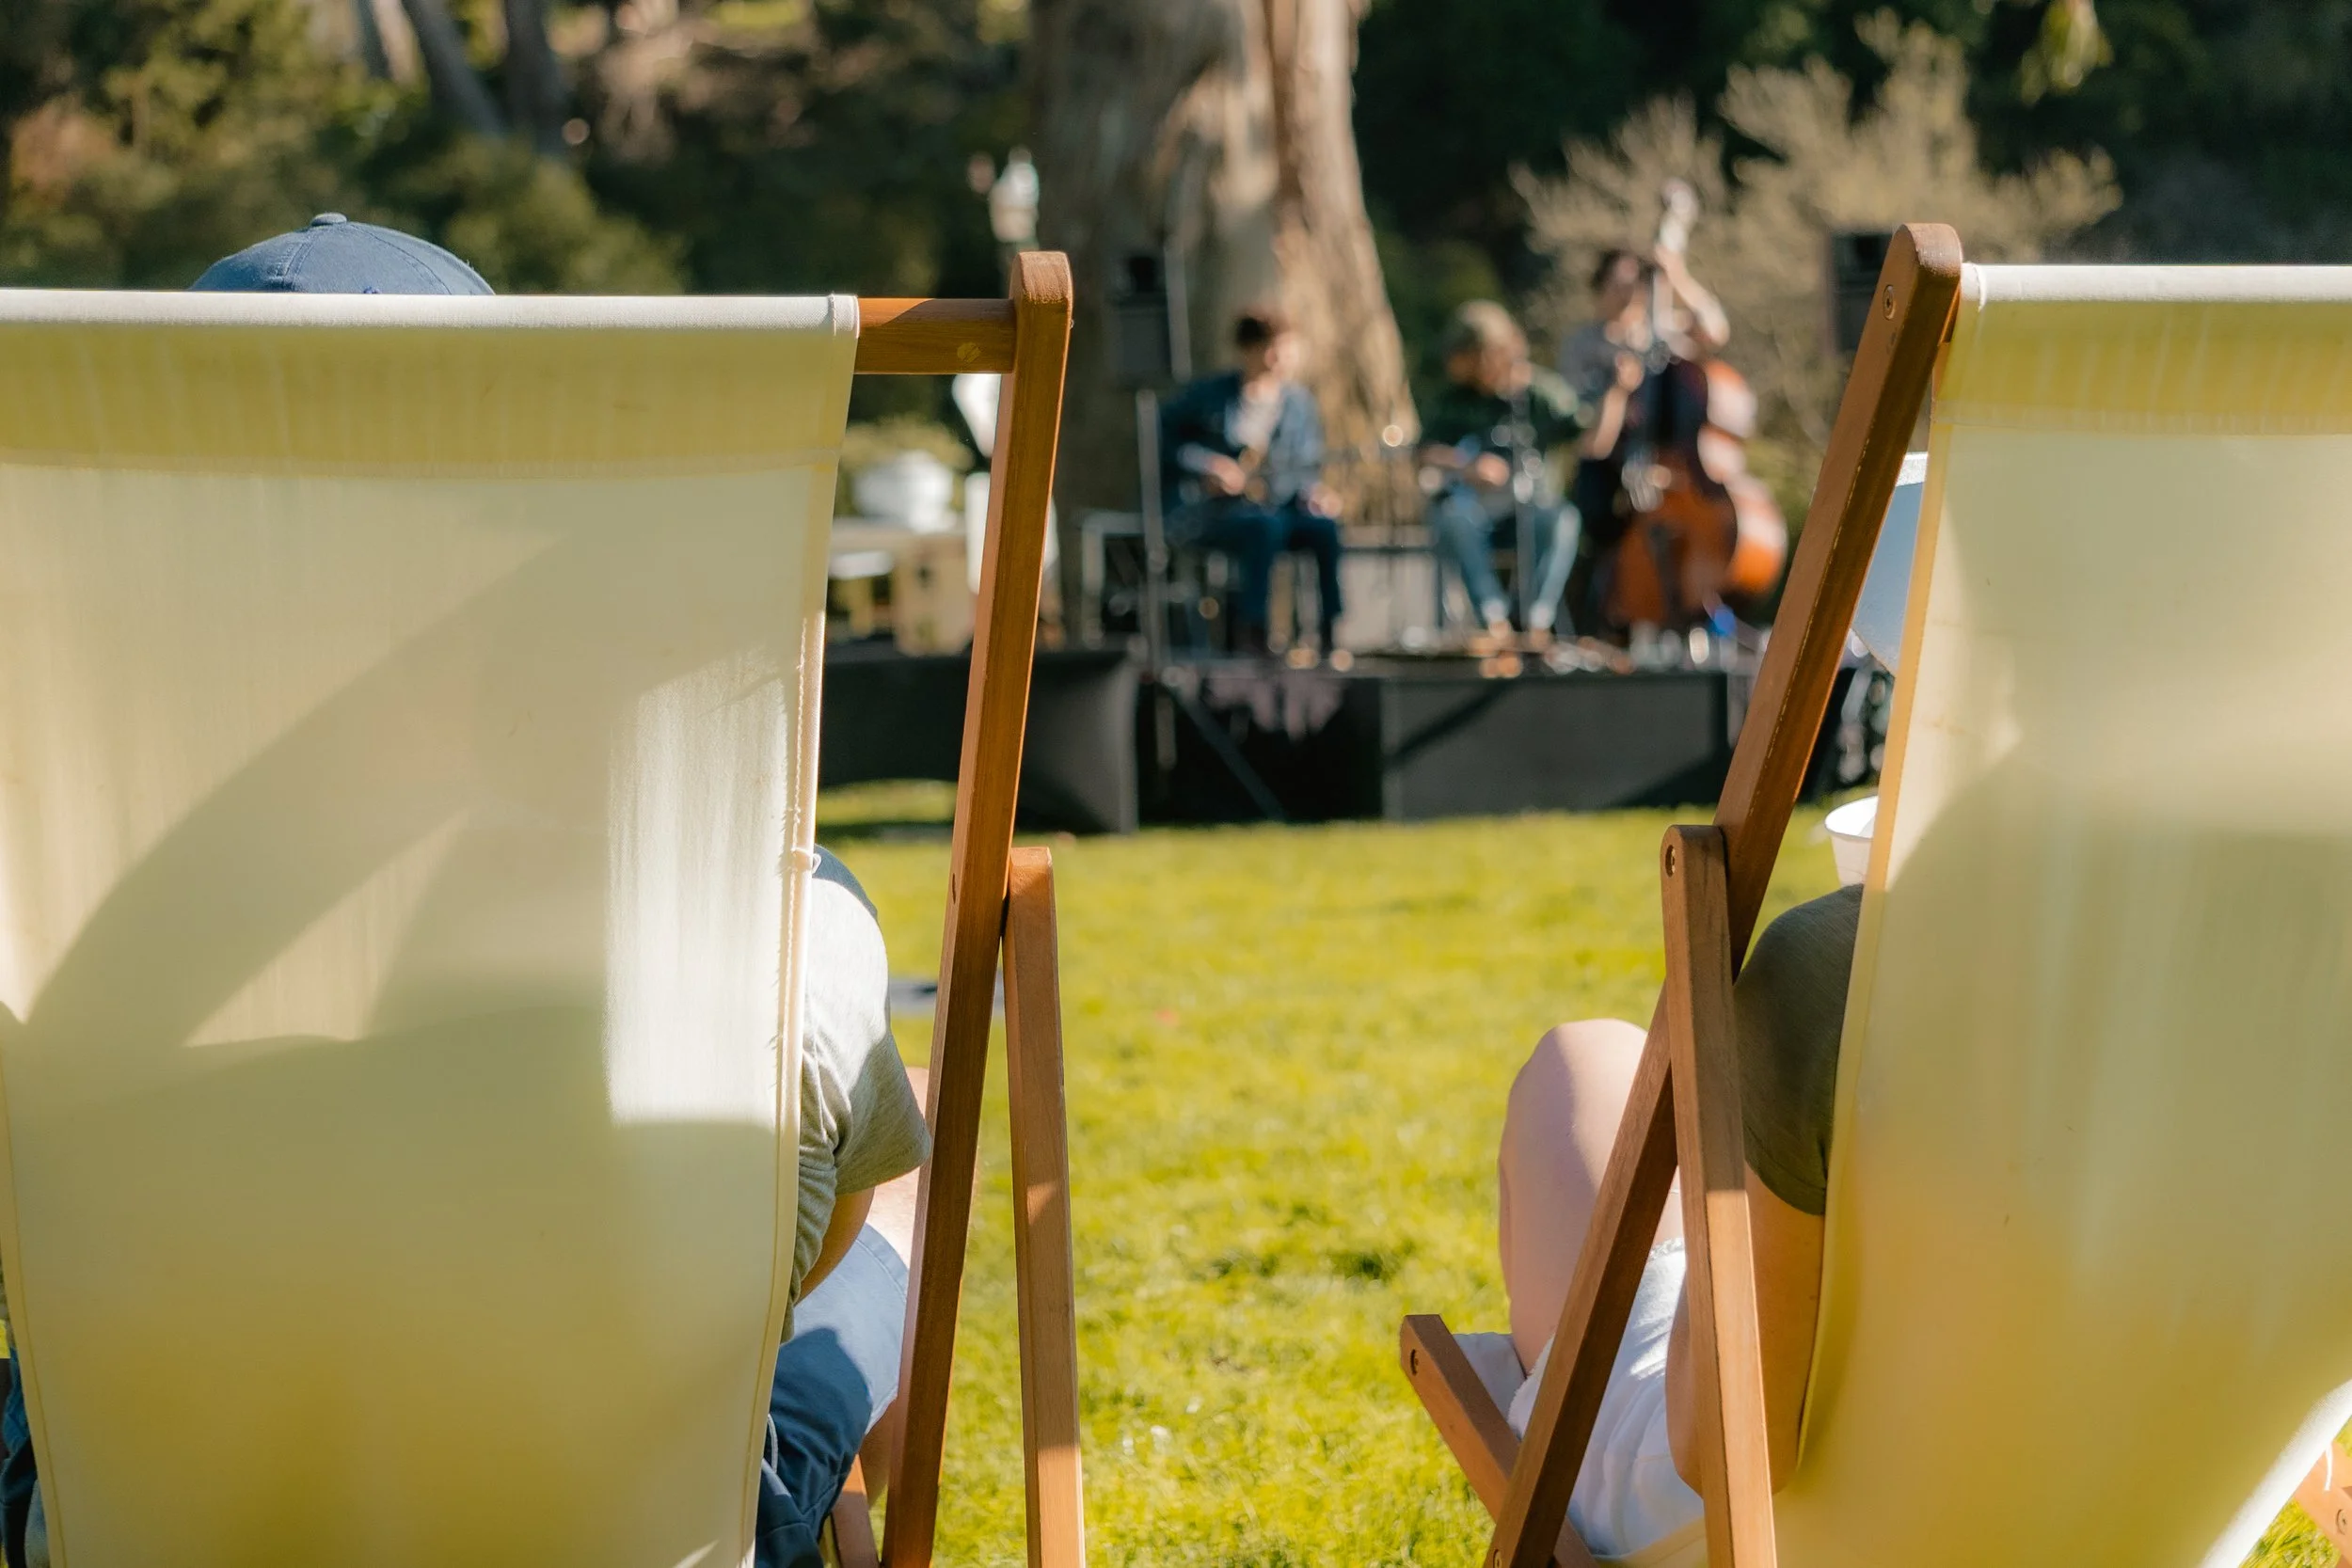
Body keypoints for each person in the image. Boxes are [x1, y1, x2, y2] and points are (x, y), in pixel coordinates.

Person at [0, 217, 931, 1568]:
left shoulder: (38, 900)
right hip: (631, 1527)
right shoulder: (775, 910)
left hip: (140, 1523)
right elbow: (799, 1257)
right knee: (890, 1190)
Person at [1494, 884, 1855, 1559]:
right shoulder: (2114, 968)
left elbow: (1720, 1455)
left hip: (1760, 1527)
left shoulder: (1835, 966)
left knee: (1582, 1056)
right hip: (2071, 1502)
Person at [1557, 246, 1732, 634]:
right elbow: (1588, 435)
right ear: (1598, 289)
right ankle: (1596, 622)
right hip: (1609, 462)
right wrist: (1618, 391)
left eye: (1633, 285)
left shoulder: (1662, 333)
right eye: (1616, 285)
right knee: (1590, 515)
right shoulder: (1583, 346)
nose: (1626, 294)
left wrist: (1677, 274)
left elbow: (1715, 328)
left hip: (1670, 470)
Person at [1160, 309, 1345, 657]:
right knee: (1265, 527)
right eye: (1270, 349)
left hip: (1278, 507)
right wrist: (1207, 465)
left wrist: (1314, 493)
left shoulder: (1298, 404)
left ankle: (1329, 631)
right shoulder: (1209, 395)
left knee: (1323, 529)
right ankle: (1254, 631)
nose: (1279, 359)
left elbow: (1304, 468)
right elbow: (1163, 438)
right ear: (1248, 349)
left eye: (1286, 349)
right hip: (1214, 513)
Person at [1419, 301, 1585, 645]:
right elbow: (1423, 452)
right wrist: (1467, 466)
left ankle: (1535, 623)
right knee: (1451, 517)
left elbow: (1584, 432)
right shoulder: (1455, 399)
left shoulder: (1537, 393)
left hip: (1528, 509)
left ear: (1486, 354)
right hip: (1475, 512)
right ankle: (1494, 621)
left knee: (1563, 520)